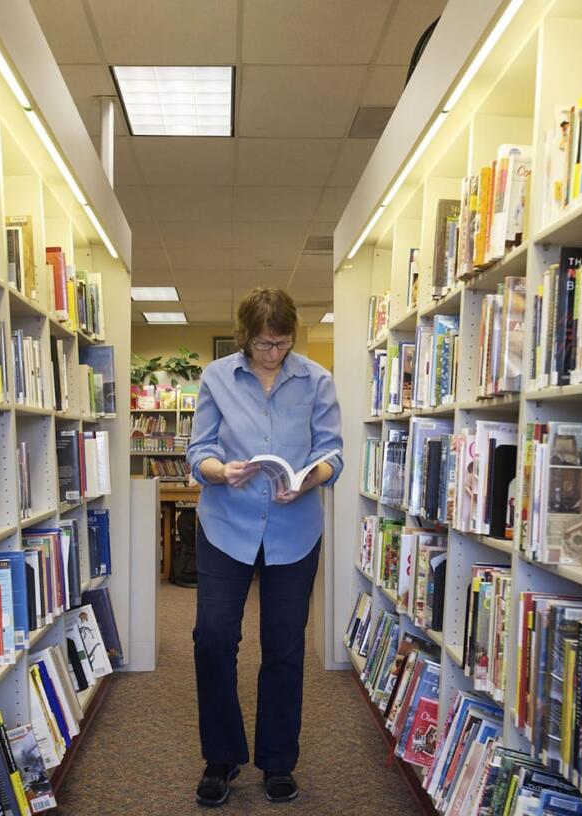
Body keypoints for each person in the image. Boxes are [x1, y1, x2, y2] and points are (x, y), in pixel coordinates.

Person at [185, 287, 343, 807]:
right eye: (262, 344)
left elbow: (332, 454)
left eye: (281, 343)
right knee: (212, 641)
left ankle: (278, 762)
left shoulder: (317, 381)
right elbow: (198, 451)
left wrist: (309, 478)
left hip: (293, 532)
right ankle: (222, 757)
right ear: (244, 338)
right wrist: (218, 471)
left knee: (284, 647)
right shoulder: (216, 378)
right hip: (226, 525)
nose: (272, 353)